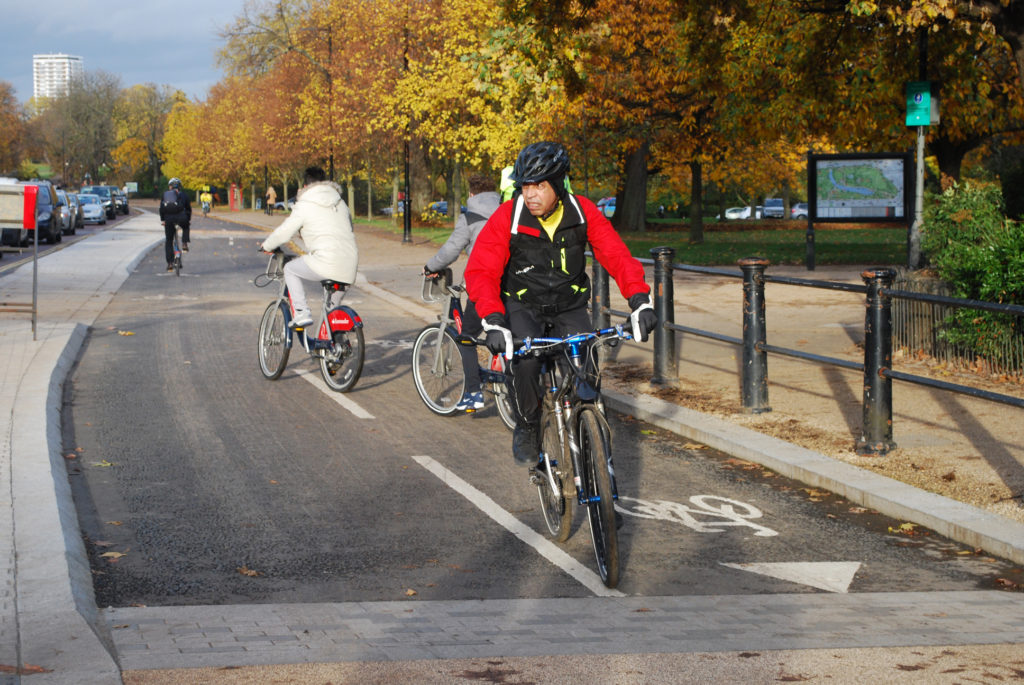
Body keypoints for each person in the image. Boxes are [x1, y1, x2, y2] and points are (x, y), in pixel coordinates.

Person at [465, 141, 658, 465]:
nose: (531, 194)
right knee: (525, 364)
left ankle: (591, 441)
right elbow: (482, 270)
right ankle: (527, 426)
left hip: (569, 306)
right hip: (523, 306)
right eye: (525, 185)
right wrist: (494, 320)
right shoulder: (508, 216)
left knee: (586, 367)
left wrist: (640, 301)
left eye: (539, 185)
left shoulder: (582, 212)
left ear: (557, 185)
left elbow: (616, 255)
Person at [423, 174, 501, 411]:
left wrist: (431, 266)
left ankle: (473, 392)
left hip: (484, 284)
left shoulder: (469, 217)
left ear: (471, 194)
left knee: (466, 336)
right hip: (512, 283)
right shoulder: (506, 212)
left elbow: (452, 250)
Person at [259, 166, 358, 329]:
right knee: (332, 308)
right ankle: (331, 345)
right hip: (349, 262)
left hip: (325, 261)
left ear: (305, 186)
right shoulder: (341, 203)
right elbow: (349, 228)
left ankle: (301, 312)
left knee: (290, 269)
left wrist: (267, 245)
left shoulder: (305, 204)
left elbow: (285, 232)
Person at [159, 177, 192, 271]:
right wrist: (188, 219)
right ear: (179, 186)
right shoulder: (184, 195)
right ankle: (185, 244)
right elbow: (188, 209)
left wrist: (163, 220)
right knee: (186, 226)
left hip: (169, 220)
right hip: (181, 218)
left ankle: (169, 263)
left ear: (170, 187)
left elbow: (161, 208)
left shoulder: (165, 195)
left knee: (169, 240)